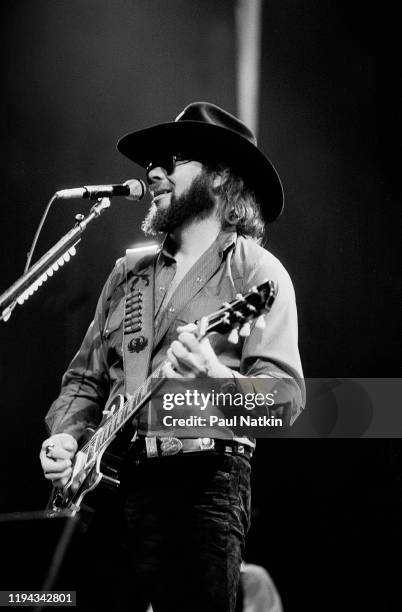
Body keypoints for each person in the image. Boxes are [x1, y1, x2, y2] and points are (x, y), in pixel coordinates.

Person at [39, 102, 304, 611]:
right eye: (151, 164)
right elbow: (84, 379)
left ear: (223, 179)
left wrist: (213, 378)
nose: (153, 172)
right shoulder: (127, 273)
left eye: (175, 159)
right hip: (110, 490)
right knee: (47, 601)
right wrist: (65, 438)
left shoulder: (258, 273)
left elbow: (285, 401)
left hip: (201, 486)